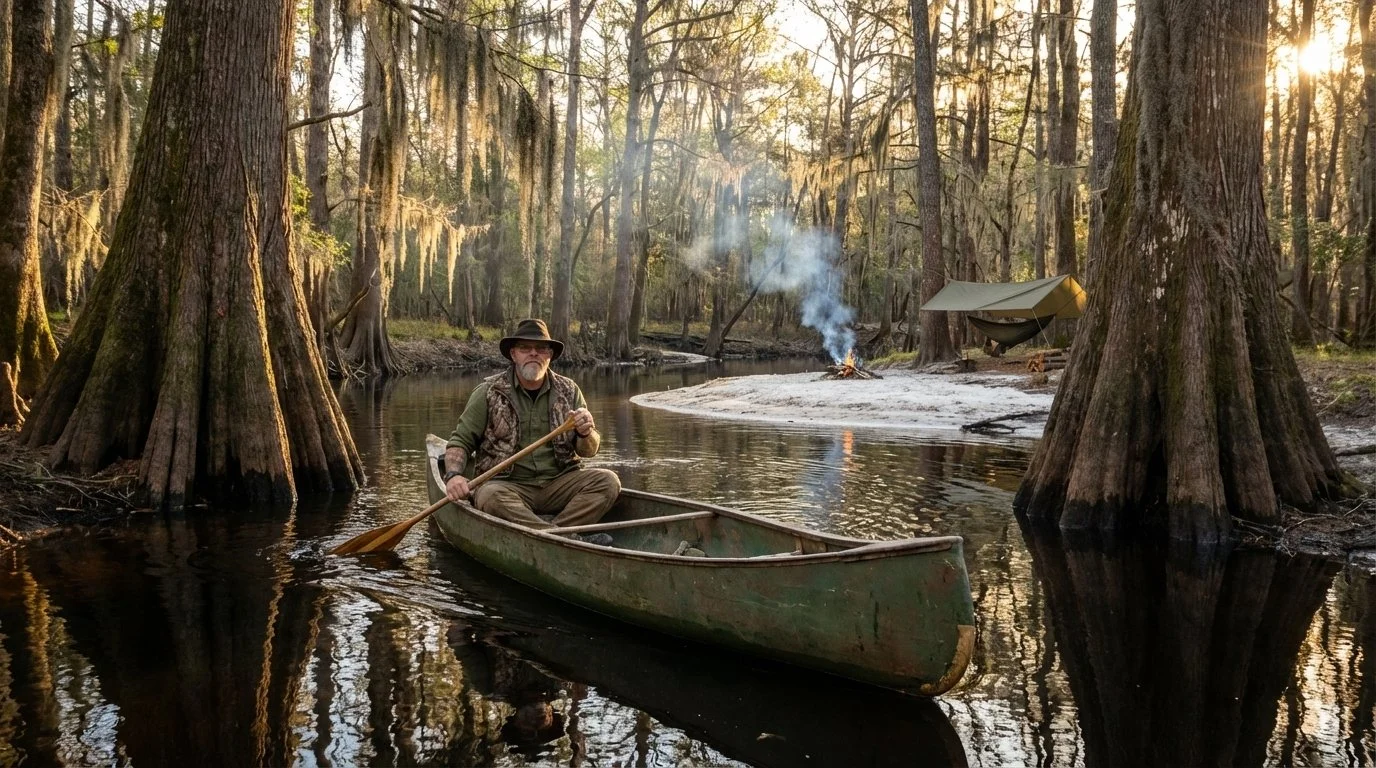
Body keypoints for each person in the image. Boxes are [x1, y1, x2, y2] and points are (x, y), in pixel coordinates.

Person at [443, 319, 621, 545]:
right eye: (525, 348)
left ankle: (549, 533)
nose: (533, 354)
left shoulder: (569, 390)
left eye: (541, 349)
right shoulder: (489, 391)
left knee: (608, 481)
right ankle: (570, 538)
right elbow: (460, 441)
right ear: (513, 354)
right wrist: (453, 475)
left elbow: (589, 451)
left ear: (550, 355)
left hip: (559, 482)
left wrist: (587, 433)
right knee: (488, 496)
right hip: (508, 485)